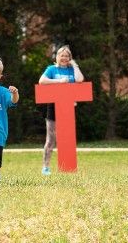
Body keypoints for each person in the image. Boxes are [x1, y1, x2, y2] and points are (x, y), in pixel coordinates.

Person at [38, 45, 84, 175]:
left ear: (69, 58)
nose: (64, 58)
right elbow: (42, 81)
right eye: (61, 55)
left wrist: (75, 65)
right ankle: (45, 167)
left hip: (68, 108)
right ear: (57, 57)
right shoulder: (51, 69)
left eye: (66, 56)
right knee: (51, 139)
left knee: (67, 139)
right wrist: (59, 81)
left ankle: (68, 167)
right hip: (53, 107)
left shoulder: (71, 69)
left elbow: (80, 80)